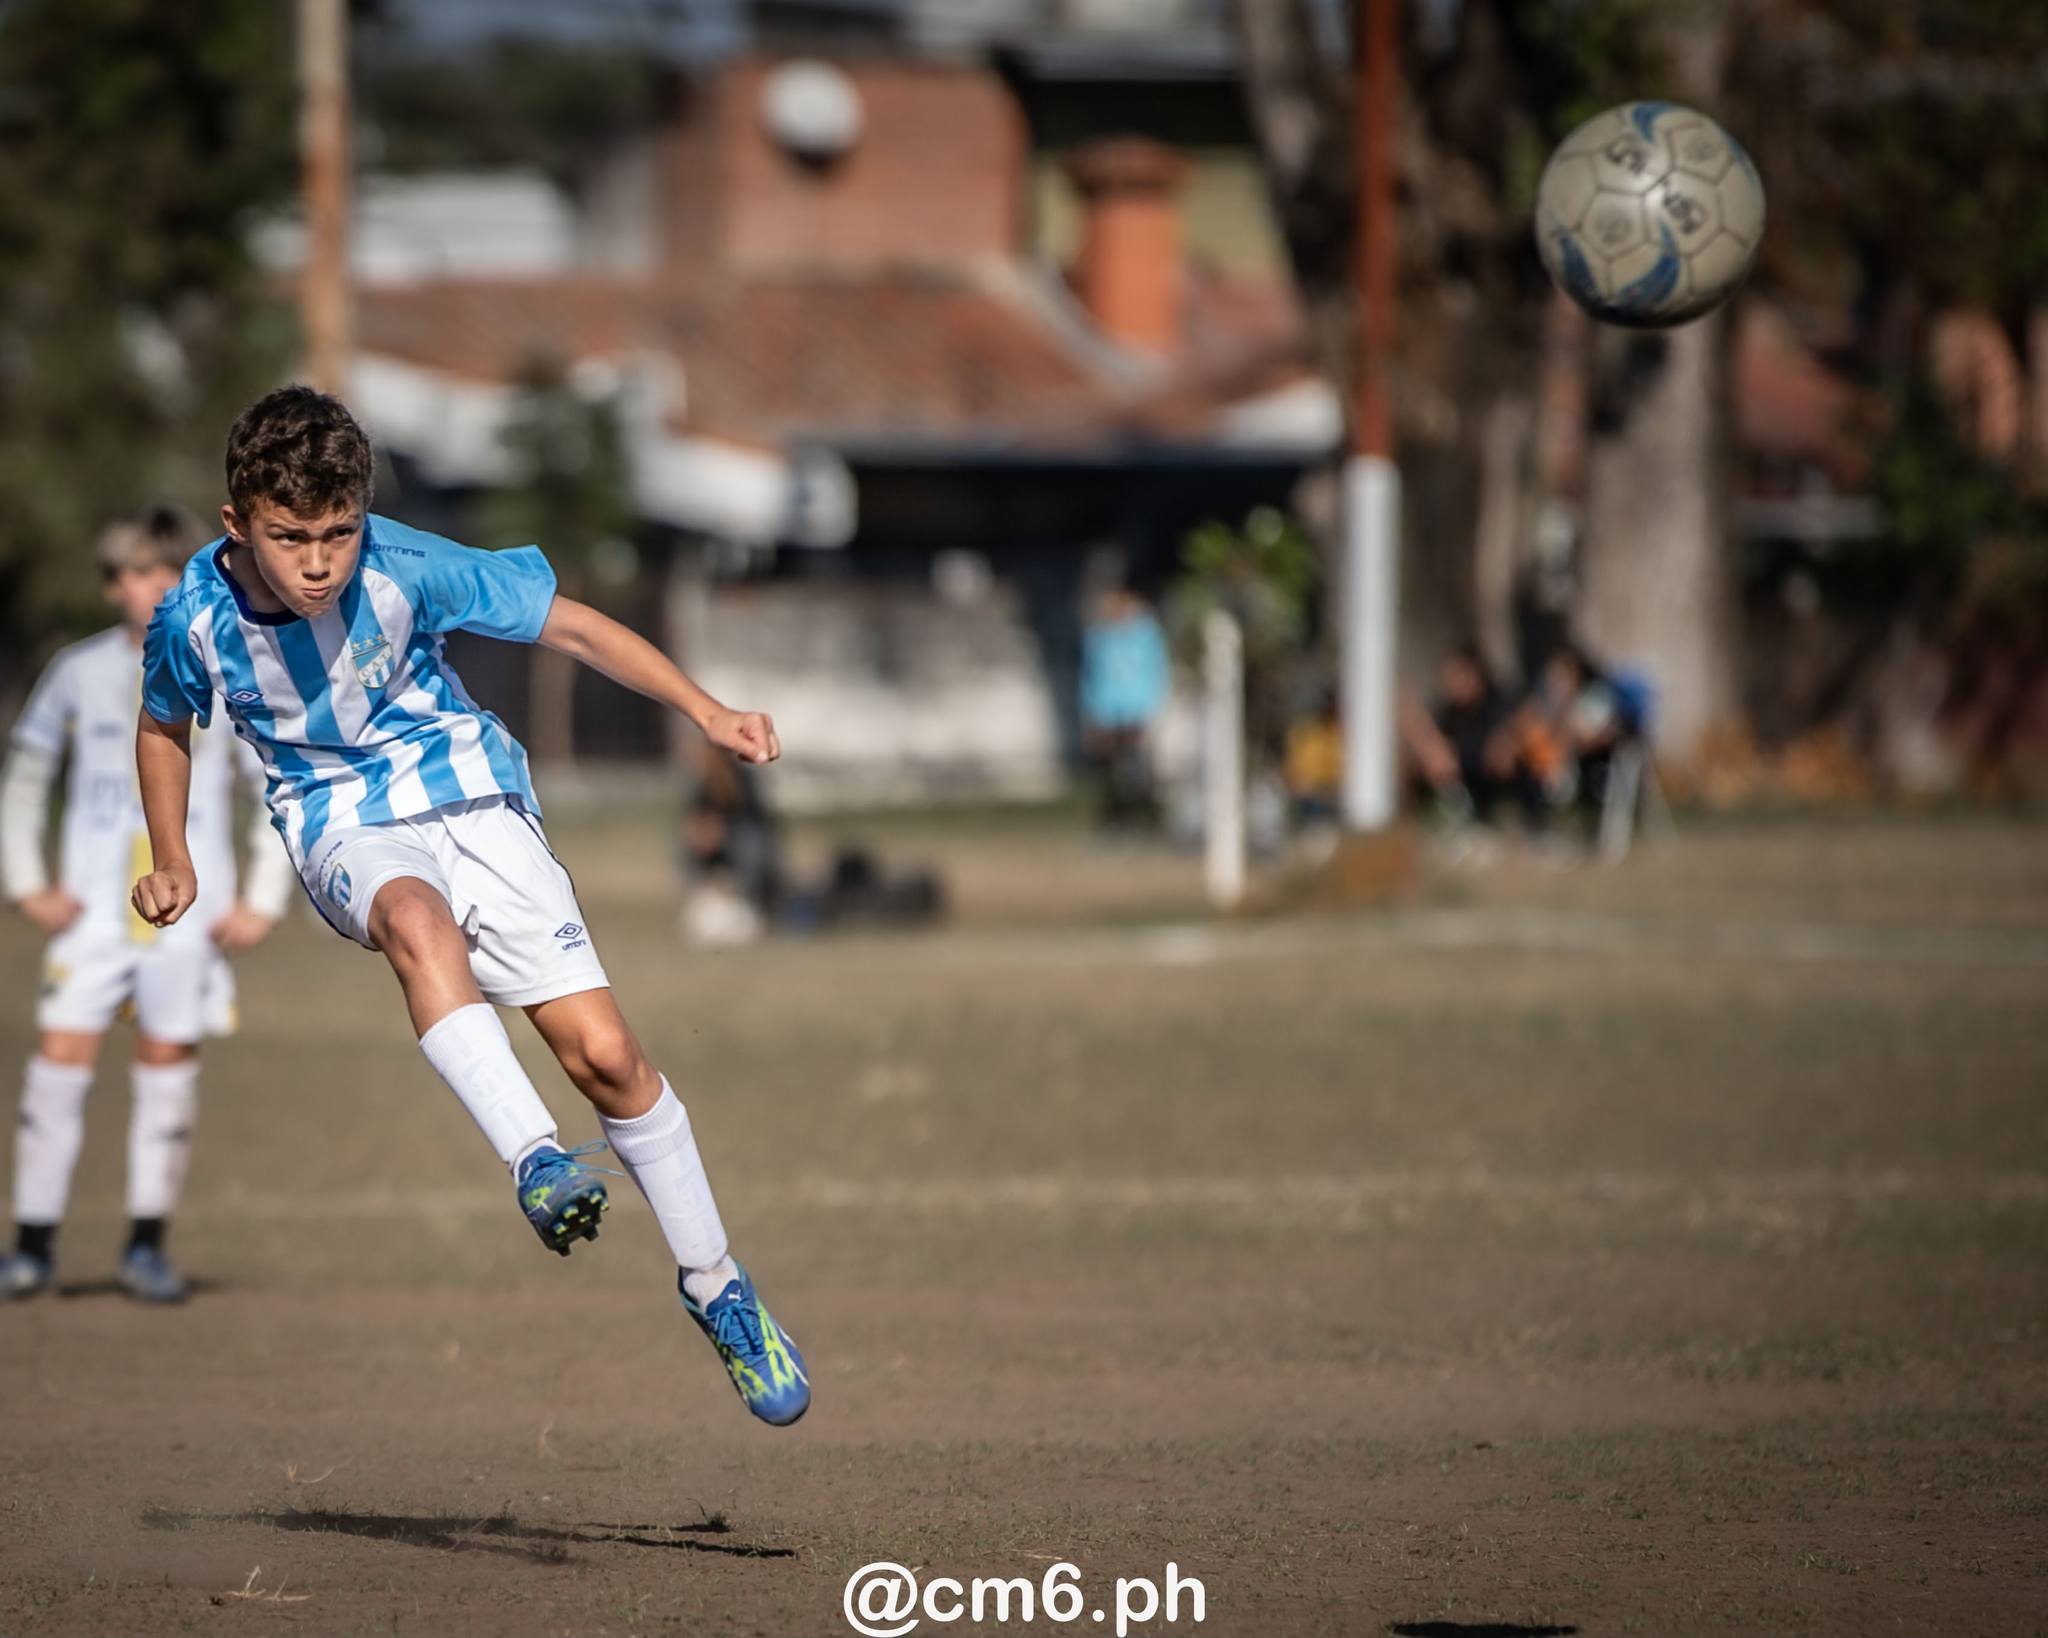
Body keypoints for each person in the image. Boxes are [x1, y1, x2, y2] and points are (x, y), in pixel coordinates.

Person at [128, 387, 809, 1426]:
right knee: (415, 922)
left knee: (609, 1060)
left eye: (337, 534)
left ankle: (716, 1287)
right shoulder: (194, 620)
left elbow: (572, 629)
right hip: (337, 818)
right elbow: (162, 725)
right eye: (290, 538)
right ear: (238, 526)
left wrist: (704, 711)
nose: (319, 562)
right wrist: (172, 853)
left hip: (474, 796)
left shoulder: (405, 567)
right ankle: (537, 1158)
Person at [0, 506, 293, 1302]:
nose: (153, 585)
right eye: (136, 571)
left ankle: (145, 1245)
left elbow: (269, 785)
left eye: (169, 570)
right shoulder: (77, 670)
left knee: (165, 1064)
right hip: (96, 905)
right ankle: (29, 1243)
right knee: (57, 1065)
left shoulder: (228, 664)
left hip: (188, 904)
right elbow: (27, 776)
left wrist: (264, 896)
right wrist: (27, 879)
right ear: (112, 584)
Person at [1079, 585, 1170, 829]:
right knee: (1109, 771)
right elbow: (1091, 677)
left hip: (1138, 710)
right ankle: (1115, 819)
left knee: (1142, 769)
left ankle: (1149, 817)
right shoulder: (1098, 636)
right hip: (1107, 712)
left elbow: (1156, 674)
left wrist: (1151, 711)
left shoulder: (1146, 634)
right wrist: (1094, 714)